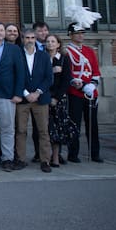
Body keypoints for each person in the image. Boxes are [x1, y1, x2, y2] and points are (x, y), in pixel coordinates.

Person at [0, 22, 25, 172]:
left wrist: (18, 93)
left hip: (7, 94)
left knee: (7, 128)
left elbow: (20, 73)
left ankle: (7, 158)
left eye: (1, 30)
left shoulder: (14, 49)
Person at [14, 29, 54, 173]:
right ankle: (20, 159)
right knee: (20, 130)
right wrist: (25, 93)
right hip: (23, 99)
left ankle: (45, 160)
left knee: (43, 131)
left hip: (40, 99)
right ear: (23, 39)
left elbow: (49, 78)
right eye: (27, 37)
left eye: (32, 38)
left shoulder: (43, 56)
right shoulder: (17, 54)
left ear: (36, 39)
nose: (30, 40)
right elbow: (15, 75)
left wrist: (37, 92)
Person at [65, 22, 103, 163]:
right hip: (75, 92)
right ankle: (73, 153)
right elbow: (68, 73)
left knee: (92, 124)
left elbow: (95, 71)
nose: (81, 36)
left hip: (90, 92)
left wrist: (92, 85)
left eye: (82, 33)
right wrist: (80, 85)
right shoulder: (67, 51)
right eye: (77, 33)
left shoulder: (89, 51)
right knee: (74, 124)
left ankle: (95, 153)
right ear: (71, 35)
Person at [46, 34, 72, 168]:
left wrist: (56, 98)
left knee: (57, 128)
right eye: (48, 41)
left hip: (58, 98)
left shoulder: (63, 59)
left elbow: (66, 80)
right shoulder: (42, 58)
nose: (50, 44)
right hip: (44, 97)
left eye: (53, 41)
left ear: (58, 44)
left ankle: (55, 156)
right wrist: (51, 71)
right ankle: (45, 155)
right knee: (45, 129)